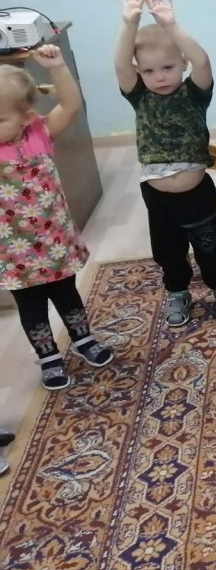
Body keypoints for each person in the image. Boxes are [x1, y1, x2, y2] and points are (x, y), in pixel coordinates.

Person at [115, 0, 216, 326]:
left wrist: (170, 25)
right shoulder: (139, 97)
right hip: (157, 197)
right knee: (167, 249)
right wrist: (130, 24)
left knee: (210, 245)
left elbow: (203, 61)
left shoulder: (194, 94)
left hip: (197, 192)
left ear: (182, 64)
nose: (159, 76)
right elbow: (120, 64)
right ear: (139, 72)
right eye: (149, 71)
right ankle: (177, 291)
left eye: (168, 67)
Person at [0, 46, 113, 389]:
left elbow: (71, 104)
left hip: (55, 242)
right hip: (14, 253)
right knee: (31, 307)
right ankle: (48, 356)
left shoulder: (39, 133)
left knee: (67, 294)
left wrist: (58, 68)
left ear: (26, 117)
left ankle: (83, 338)